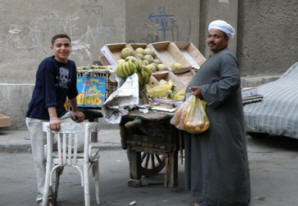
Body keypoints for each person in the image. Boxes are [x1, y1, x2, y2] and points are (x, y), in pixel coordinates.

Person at [184, 20, 251, 206]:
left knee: (222, 161)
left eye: (217, 36)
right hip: (212, 118)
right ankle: (207, 197)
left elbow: (231, 82)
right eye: (210, 36)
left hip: (223, 121)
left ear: (226, 39)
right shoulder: (215, 57)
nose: (211, 40)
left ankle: (224, 200)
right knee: (209, 161)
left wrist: (203, 91)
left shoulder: (227, 58)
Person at [26, 34, 85, 206]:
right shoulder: (47, 65)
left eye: (66, 45)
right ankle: (43, 195)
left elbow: (72, 91)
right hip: (38, 116)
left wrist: (75, 110)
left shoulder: (71, 65)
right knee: (41, 158)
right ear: (52, 48)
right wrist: (52, 117)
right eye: (58, 45)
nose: (63, 48)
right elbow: (48, 91)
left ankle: (51, 189)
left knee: (65, 153)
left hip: (59, 114)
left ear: (70, 47)